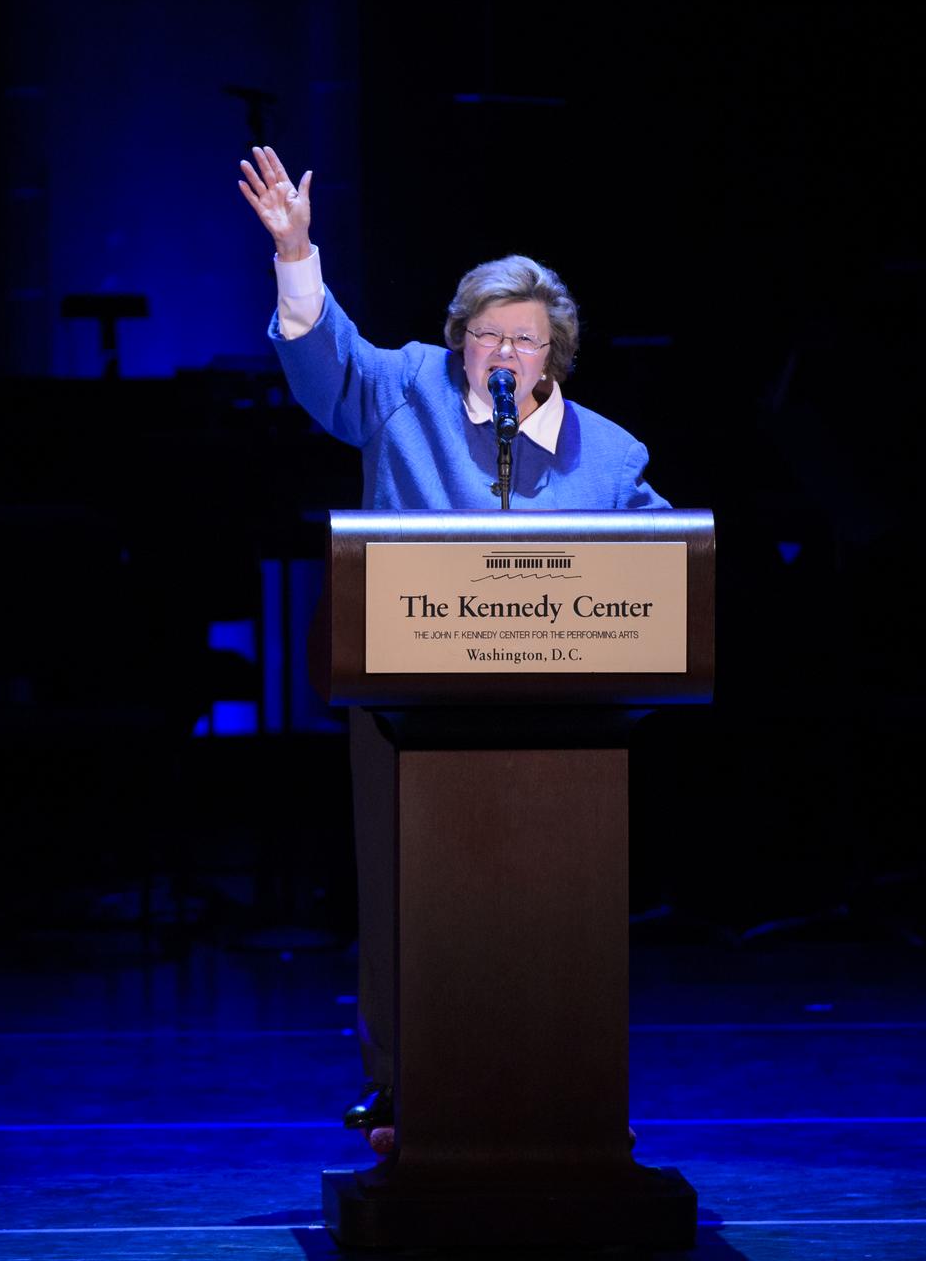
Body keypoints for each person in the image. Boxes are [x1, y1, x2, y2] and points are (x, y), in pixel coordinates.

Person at [238, 144, 670, 1138]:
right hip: (406, 707)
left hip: (564, 723)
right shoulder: (402, 392)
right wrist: (296, 252)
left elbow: (660, 574)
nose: (503, 353)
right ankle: (405, 1087)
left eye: (523, 337)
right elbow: (322, 361)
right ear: (456, 344)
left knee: (552, 910)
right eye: (485, 336)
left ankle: (563, 1091)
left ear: (555, 351)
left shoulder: (612, 451)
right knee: (405, 898)